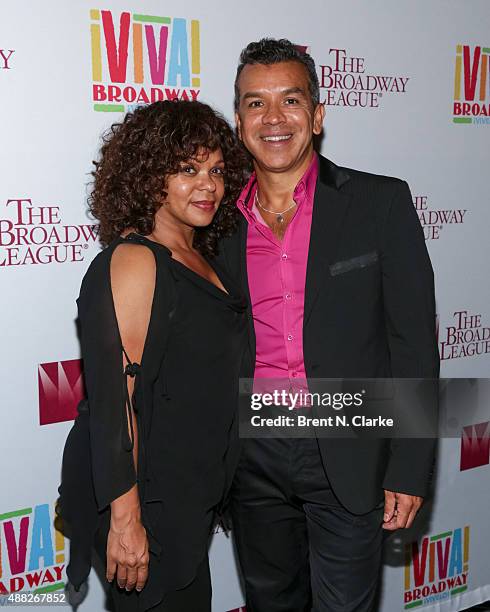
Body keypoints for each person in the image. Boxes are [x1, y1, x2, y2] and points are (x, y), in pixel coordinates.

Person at [218, 39, 440, 611]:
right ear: (238, 118)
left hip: (349, 443)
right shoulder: (215, 222)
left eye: (290, 100)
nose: (273, 119)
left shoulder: (379, 203)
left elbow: (413, 344)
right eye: (255, 103)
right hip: (252, 451)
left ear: (317, 116)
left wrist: (411, 465)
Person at [58, 100, 248, 612]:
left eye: (216, 171)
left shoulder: (203, 257)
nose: (207, 185)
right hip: (141, 498)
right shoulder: (136, 260)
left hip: (187, 491)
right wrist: (126, 520)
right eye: (187, 169)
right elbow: (113, 403)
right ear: (149, 176)